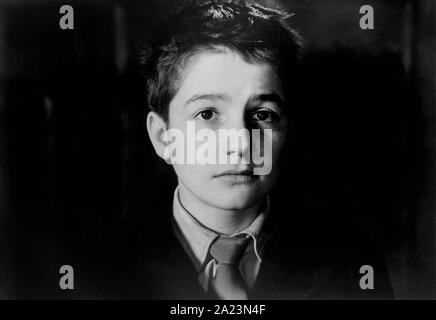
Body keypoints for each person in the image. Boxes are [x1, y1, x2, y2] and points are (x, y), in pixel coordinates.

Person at [114, 0, 393, 299]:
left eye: (263, 115)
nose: (242, 143)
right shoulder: (104, 262)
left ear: (288, 129)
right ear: (162, 136)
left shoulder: (349, 260)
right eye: (207, 114)